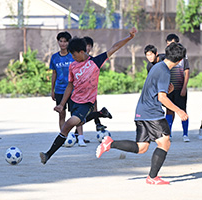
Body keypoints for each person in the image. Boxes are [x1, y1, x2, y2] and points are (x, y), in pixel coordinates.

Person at [97, 42, 189, 185]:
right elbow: (161, 98)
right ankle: (152, 177)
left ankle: (110, 143)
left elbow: (156, 91)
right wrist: (179, 111)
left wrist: (167, 91)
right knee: (165, 142)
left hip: (141, 111)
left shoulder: (157, 67)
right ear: (179, 61)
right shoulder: (164, 71)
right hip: (152, 113)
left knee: (142, 147)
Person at [40, 28, 135, 164]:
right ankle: (100, 113)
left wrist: (129, 37)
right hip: (74, 100)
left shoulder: (95, 62)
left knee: (69, 124)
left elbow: (114, 47)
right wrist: (61, 104)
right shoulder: (73, 66)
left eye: (74, 55)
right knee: (80, 122)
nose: (73, 58)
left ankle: (47, 155)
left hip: (87, 102)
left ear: (81, 52)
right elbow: (70, 85)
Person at [48, 31, 80, 146]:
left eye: (65, 41)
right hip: (60, 89)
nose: (63, 44)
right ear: (58, 42)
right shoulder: (55, 57)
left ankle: (79, 137)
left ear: (69, 42)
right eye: (60, 41)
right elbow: (54, 74)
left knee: (75, 114)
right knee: (61, 113)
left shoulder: (73, 56)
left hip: (73, 89)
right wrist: (52, 90)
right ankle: (63, 136)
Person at [161, 34, 191, 142]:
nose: (170, 46)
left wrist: (184, 87)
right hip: (169, 88)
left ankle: (185, 134)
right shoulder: (166, 55)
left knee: (182, 110)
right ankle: (169, 134)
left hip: (180, 87)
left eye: (172, 43)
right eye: (168, 44)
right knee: (169, 110)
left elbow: (186, 71)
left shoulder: (183, 56)